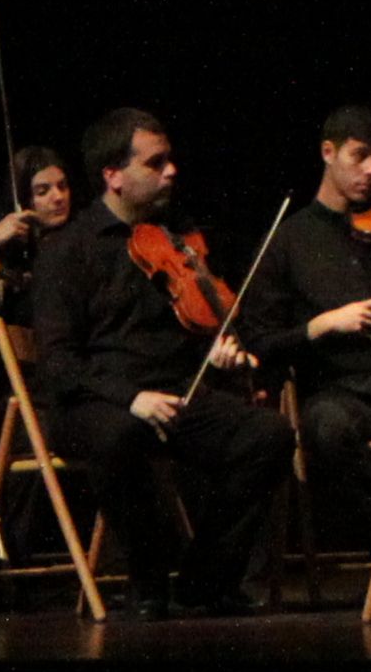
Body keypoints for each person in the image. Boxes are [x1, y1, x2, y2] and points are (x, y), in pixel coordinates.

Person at [27, 106, 297, 618]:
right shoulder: (67, 250)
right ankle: (147, 580)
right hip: (96, 401)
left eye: (169, 160)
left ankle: (204, 576)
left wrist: (216, 356)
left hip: (175, 392)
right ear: (113, 176)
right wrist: (131, 398)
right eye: (155, 163)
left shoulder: (175, 237)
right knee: (120, 435)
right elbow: (59, 366)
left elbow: (189, 332)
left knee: (267, 435)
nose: (171, 171)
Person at [265, 105, 371, 557]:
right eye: (359, 156)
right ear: (328, 152)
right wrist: (320, 326)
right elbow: (260, 339)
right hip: (336, 389)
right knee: (326, 430)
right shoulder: (291, 240)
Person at [0, 145, 73, 322]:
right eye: (43, 192)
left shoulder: (81, 239)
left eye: (62, 186)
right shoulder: (14, 251)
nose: (58, 197)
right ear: (23, 200)